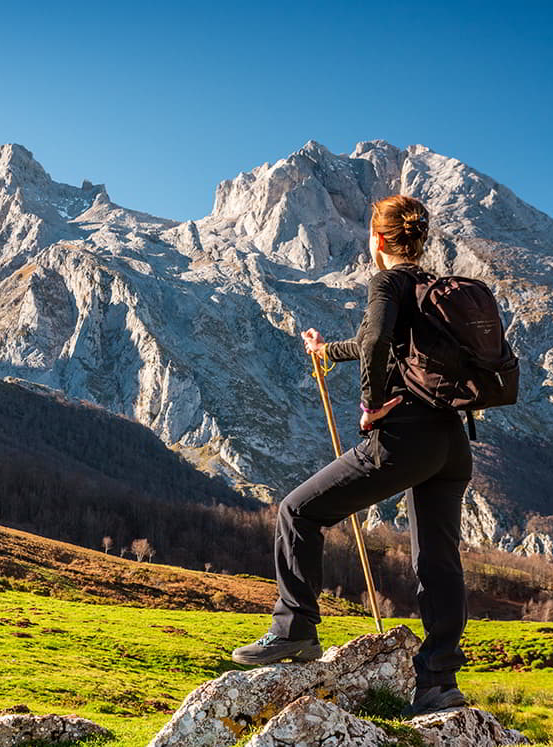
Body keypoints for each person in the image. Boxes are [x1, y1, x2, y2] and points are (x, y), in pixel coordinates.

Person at [229, 194, 473, 716]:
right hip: (451, 442)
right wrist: (324, 352)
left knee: (299, 510)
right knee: (438, 560)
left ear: (378, 239)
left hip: (405, 437)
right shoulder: (435, 290)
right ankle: (438, 683)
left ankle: (294, 630)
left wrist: (371, 402)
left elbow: (379, 337)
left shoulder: (387, 282)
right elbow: (373, 341)